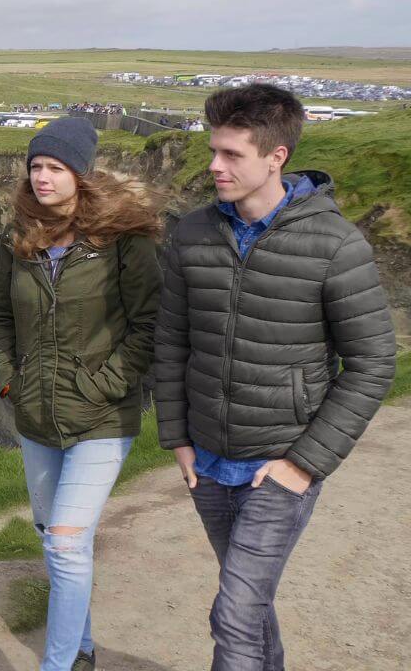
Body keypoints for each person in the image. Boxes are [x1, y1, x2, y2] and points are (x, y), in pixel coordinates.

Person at [154, 84, 396, 670]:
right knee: (250, 608)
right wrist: (178, 440)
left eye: (231, 154)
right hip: (207, 464)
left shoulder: (335, 245)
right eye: (214, 150)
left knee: (234, 613)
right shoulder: (191, 235)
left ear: (276, 156)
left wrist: (303, 464)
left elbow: (372, 363)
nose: (214, 166)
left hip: (279, 464)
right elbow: (171, 341)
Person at [0, 117, 163, 671]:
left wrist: (102, 386)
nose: (42, 177)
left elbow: (151, 325)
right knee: (55, 538)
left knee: (64, 542)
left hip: (102, 419)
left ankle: (57, 664)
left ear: (82, 174)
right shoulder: (19, 240)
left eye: (55, 167)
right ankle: (83, 647)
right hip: (36, 416)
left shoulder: (124, 243)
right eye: (36, 166)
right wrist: (9, 379)